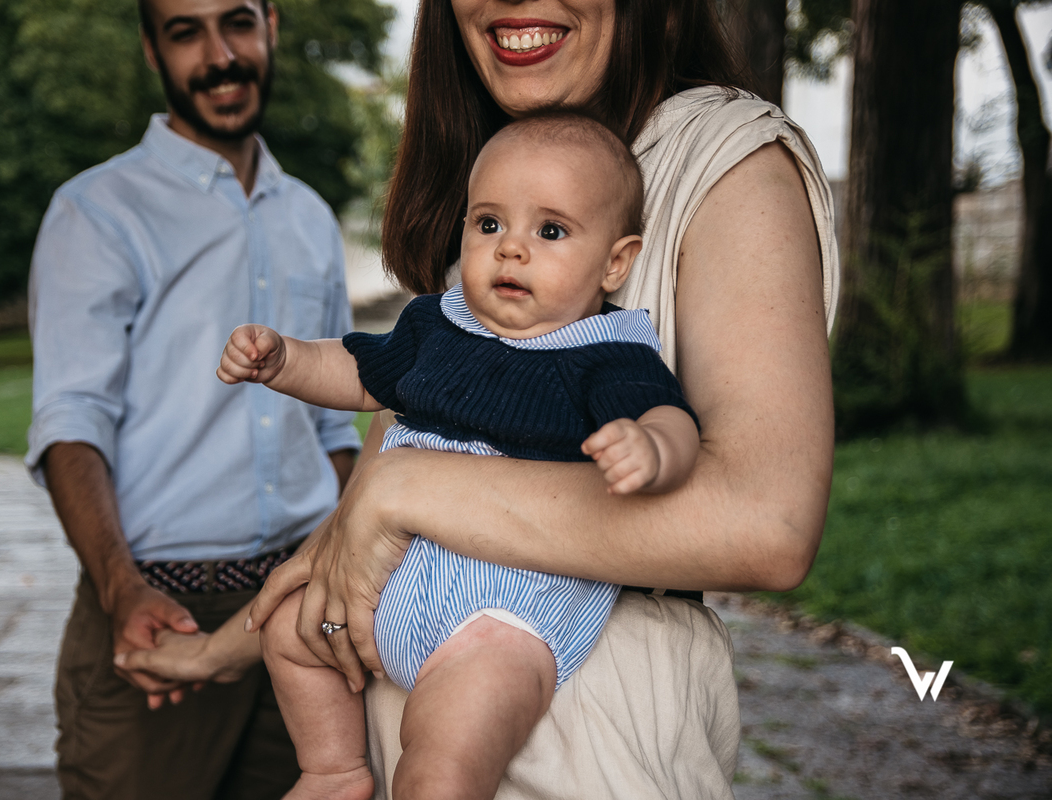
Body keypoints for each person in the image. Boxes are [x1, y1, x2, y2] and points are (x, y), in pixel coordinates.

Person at [125, 0, 841, 797]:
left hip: (573, 716)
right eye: (489, 223)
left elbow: (766, 524)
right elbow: (361, 524)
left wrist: (413, 486)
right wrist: (222, 649)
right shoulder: (493, 231)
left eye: (550, 232)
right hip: (400, 693)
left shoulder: (719, 160)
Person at [132, 113, 701, 800]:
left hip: (501, 623)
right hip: (387, 585)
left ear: (616, 260)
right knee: (290, 627)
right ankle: (332, 770)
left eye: (549, 231)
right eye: (489, 224)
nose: (510, 250)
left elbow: (672, 418)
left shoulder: (605, 355)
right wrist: (285, 360)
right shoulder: (436, 324)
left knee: (439, 764)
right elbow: (360, 372)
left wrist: (651, 448)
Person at [24, 0, 361, 797]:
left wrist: (343, 563)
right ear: (152, 50)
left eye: (237, 23)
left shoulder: (310, 217)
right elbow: (72, 423)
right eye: (185, 32)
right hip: (155, 614)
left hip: (304, 615)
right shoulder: (95, 212)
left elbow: (332, 422)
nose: (219, 56)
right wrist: (120, 588)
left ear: (271, 26)